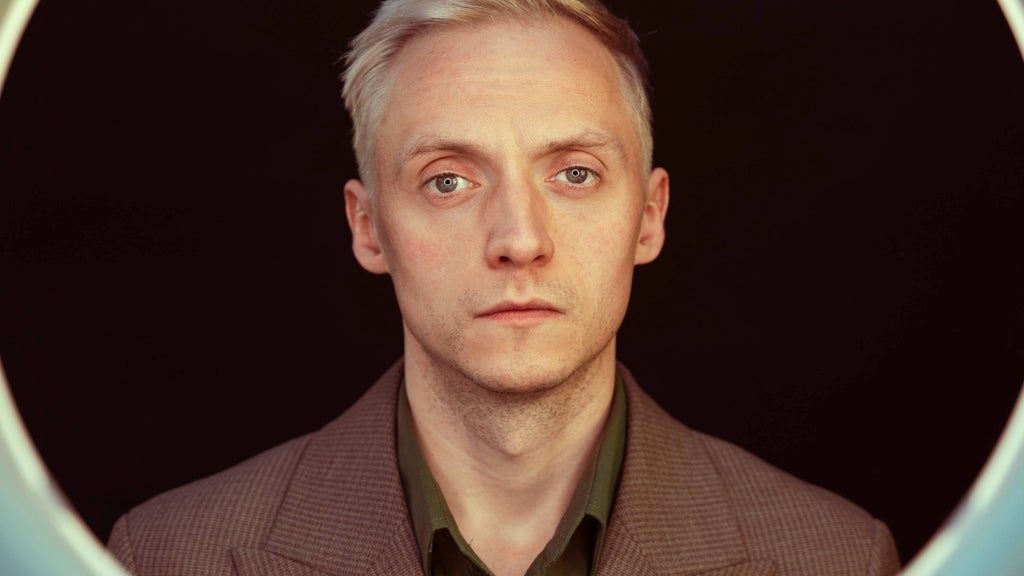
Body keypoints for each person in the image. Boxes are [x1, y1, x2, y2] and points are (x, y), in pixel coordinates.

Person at [106, 1, 900, 575]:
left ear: (649, 217)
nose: (520, 239)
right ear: (369, 227)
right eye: (448, 180)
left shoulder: (838, 558)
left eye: (575, 174)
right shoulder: (166, 557)